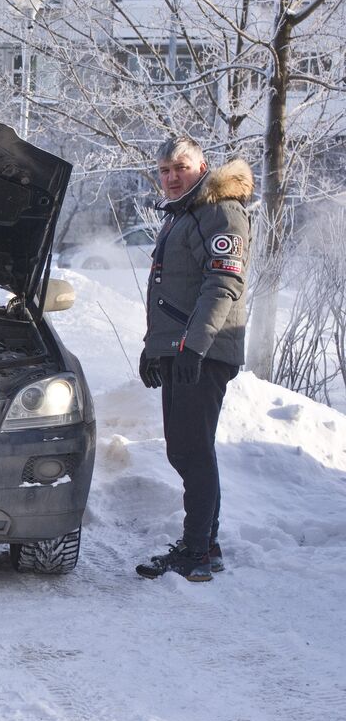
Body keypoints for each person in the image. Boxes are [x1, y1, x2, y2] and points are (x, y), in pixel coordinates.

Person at [135, 136, 251, 583]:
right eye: (164, 170)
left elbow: (222, 285)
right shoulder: (185, 214)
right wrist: (154, 347)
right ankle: (207, 545)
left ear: (202, 165)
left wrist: (193, 347)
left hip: (203, 351)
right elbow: (169, 293)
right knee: (188, 451)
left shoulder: (220, 210)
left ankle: (196, 552)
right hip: (181, 348)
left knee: (191, 451)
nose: (171, 177)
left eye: (180, 167)